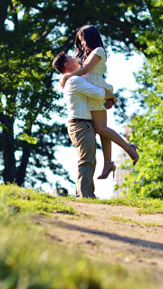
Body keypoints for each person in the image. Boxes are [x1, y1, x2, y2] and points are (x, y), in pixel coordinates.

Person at [59, 25, 138, 179]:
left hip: (96, 87)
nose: (81, 44)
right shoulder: (84, 55)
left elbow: (85, 69)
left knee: (100, 128)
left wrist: (66, 77)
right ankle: (108, 162)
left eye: (82, 40)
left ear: (90, 38)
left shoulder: (98, 51)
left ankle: (129, 148)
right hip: (89, 90)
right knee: (101, 128)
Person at [53, 51, 116, 198]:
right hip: (80, 124)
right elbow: (97, 93)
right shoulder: (75, 80)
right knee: (87, 160)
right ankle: (85, 195)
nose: (75, 58)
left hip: (81, 124)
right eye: (71, 57)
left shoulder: (73, 79)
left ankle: (84, 193)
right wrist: (111, 95)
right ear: (67, 64)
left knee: (87, 159)